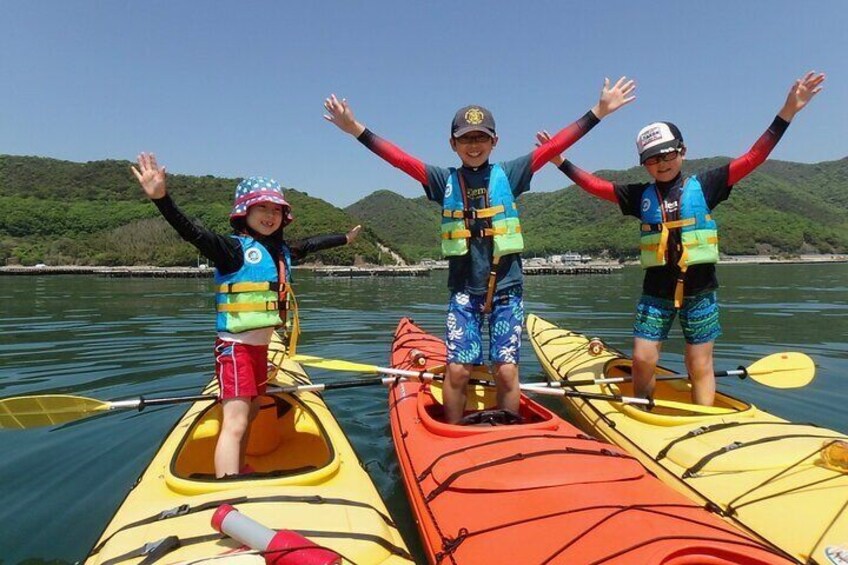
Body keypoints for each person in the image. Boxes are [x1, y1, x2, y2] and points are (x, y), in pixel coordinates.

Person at [324, 78, 636, 424]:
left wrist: (599, 111)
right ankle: (452, 430)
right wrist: (355, 128)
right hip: (464, 291)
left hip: (507, 289)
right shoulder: (442, 180)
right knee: (458, 370)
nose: (474, 145)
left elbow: (553, 147)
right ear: (453, 144)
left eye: (481, 138)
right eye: (466, 139)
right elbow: (399, 159)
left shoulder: (511, 173)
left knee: (506, 370)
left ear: (494, 141)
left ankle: (510, 428)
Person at [536, 71, 825, 406]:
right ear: (644, 164)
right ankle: (643, 408)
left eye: (668, 154)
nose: (662, 163)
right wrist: (560, 161)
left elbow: (753, 157)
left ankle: (705, 419)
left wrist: (788, 111)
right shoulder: (639, 196)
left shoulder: (707, 185)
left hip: (700, 291)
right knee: (643, 358)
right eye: (652, 158)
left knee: (698, 363)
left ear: (682, 151)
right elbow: (595, 186)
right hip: (655, 292)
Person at [132, 153, 361, 477]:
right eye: (262, 208)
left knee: (252, 411)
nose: (270, 215)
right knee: (236, 421)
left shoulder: (281, 251)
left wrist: (345, 239)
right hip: (236, 349)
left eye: (276, 210)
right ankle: (229, 489)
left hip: (258, 349)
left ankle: (239, 468)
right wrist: (161, 199)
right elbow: (193, 233)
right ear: (245, 212)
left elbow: (311, 244)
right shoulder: (232, 250)